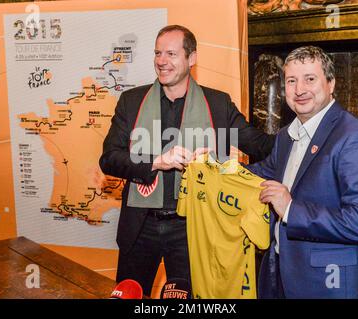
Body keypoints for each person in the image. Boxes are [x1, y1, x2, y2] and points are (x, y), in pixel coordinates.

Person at [99, 24, 275, 296]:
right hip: (140, 225)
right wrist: (156, 161)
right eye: (158, 53)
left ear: (191, 58)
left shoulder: (217, 105)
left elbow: (261, 145)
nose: (161, 61)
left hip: (190, 228)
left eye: (171, 53)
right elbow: (109, 159)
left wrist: (305, 132)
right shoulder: (131, 101)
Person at [248, 46, 358, 299]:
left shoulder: (356, 137)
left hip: (327, 284)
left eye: (310, 79)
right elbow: (257, 174)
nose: (299, 90)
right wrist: (209, 165)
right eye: (291, 81)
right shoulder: (286, 136)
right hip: (280, 277)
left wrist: (291, 209)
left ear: (331, 84)